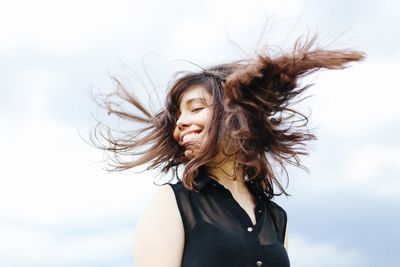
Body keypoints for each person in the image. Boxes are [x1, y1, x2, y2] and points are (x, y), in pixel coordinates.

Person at [91, 37, 364, 267]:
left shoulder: (275, 217)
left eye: (196, 108)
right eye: (177, 116)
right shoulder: (173, 201)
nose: (181, 122)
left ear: (234, 115)